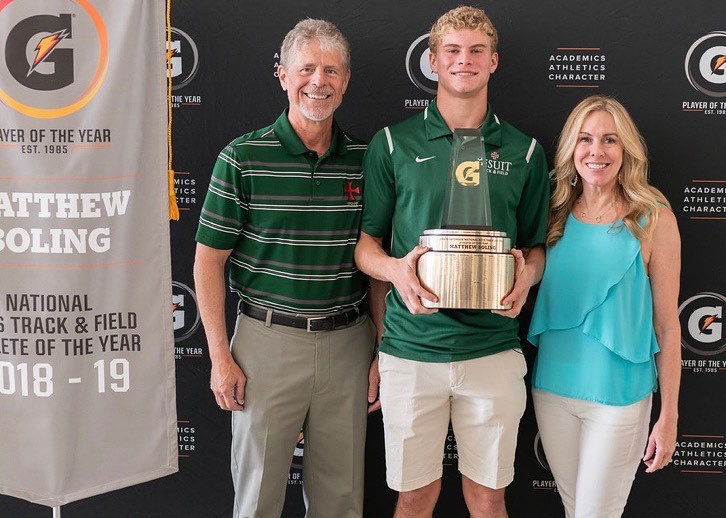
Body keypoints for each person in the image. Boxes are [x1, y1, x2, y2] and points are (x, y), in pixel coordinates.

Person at [355, 6, 550, 517]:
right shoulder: (392, 143)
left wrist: (527, 277)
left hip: (492, 350)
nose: (465, 61)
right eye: (453, 51)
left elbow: (535, 247)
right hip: (411, 352)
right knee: (414, 497)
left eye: (476, 51)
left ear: (494, 62)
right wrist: (397, 269)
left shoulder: (526, 151)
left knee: (487, 499)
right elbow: (365, 246)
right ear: (433, 61)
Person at [193, 18, 380, 518]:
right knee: (256, 498)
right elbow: (207, 262)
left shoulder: (368, 160)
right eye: (306, 68)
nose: (318, 81)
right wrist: (219, 357)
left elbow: (379, 267)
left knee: (341, 500)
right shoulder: (242, 158)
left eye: (331, 70)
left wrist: (382, 349)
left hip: (348, 343)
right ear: (282, 75)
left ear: (345, 81)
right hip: (265, 344)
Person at [527, 95, 681, 517]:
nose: (597, 152)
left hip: (620, 398)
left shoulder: (653, 218)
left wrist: (668, 417)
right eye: (586, 139)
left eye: (610, 140)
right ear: (571, 149)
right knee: (575, 509)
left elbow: (669, 327)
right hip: (553, 390)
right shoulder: (552, 213)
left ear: (626, 149)